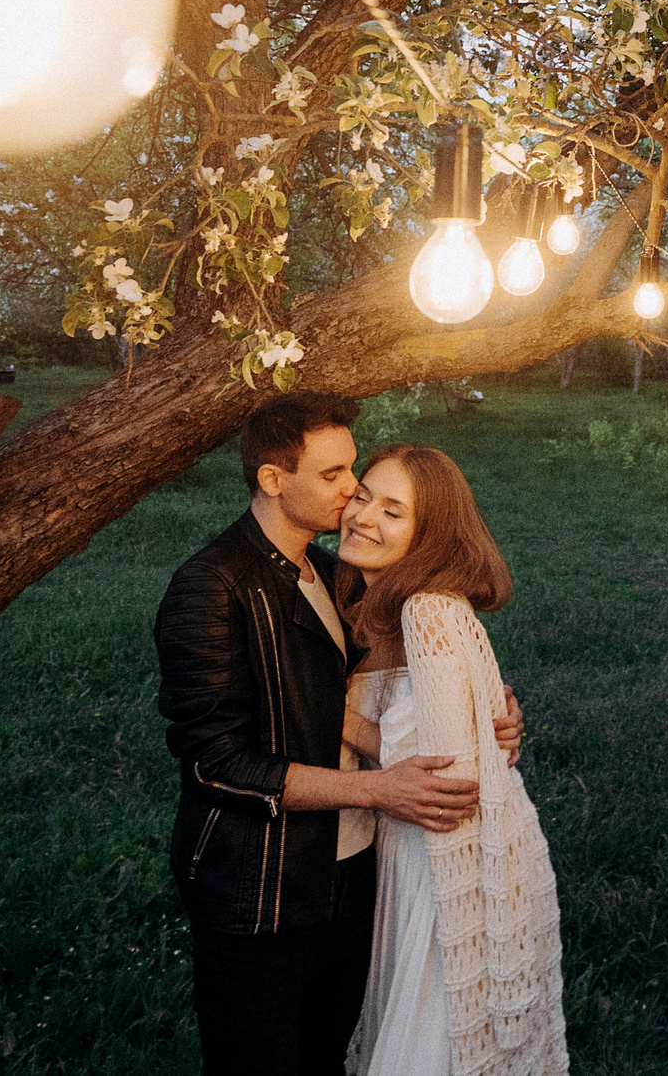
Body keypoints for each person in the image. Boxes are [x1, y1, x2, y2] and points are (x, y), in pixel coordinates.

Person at [155, 393, 525, 1076]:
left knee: (333, 1059)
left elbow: (387, 692)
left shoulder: (334, 576)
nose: (354, 489)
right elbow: (216, 763)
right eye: (334, 475)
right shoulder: (210, 587)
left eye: (353, 466)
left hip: (351, 880)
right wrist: (378, 788)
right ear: (273, 479)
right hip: (260, 895)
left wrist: (484, 713)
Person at [339, 443, 569, 1076]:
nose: (364, 518)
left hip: (442, 853)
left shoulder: (428, 609)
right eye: (362, 496)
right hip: (400, 845)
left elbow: (437, 769)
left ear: (428, 535)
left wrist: (315, 710)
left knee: (431, 1041)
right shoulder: (366, 600)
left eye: (393, 512)